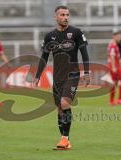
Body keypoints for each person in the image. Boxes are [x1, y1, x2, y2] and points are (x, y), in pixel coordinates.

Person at [33, 6, 90, 150]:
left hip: (73, 74)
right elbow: (44, 57)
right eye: (62, 15)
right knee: (59, 109)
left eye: (67, 15)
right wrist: (37, 75)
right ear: (56, 17)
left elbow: (84, 53)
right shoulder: (49, 36)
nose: (66, 17)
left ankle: (64, 138)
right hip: (57, 77)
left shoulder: (76, 32)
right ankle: (65, 140)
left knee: (65, 104)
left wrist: (87, 72)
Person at [107, 32, 121, 106]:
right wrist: (113, 67)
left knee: (114, 83)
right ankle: (120, 99)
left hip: (116, 65)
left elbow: (116, 57)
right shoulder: (113, 46)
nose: (120, 38)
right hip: (115, 66)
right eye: (118, 37)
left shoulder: (114, 45)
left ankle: (111, 101)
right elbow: (112, 56)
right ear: (114, 37)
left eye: (120, 37)